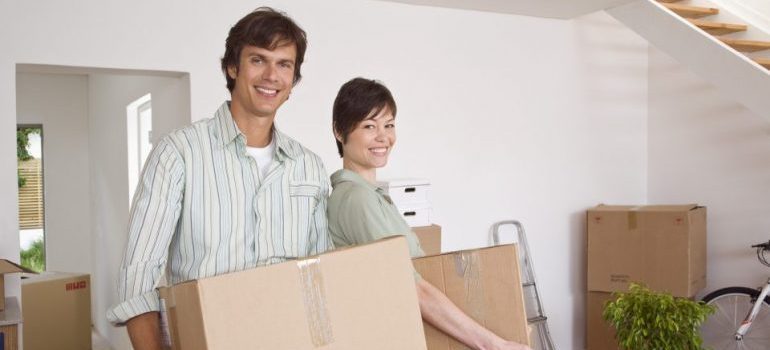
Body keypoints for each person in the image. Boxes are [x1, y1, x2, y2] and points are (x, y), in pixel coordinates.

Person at [107, 8, 331, 349]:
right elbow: (138, 280)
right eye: (258, 59)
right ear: (232, 67)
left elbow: (319, 278)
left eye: (284, 64)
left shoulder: (309, 166)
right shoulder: (178, 154)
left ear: (293, 80)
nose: (272, 75)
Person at [328, 77, 532, 350]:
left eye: (389, 125)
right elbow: (410, 287)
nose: (383, 137)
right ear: (340, 132)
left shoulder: (371, 195)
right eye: (369, 126)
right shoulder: (357, 200)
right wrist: (493, 344)